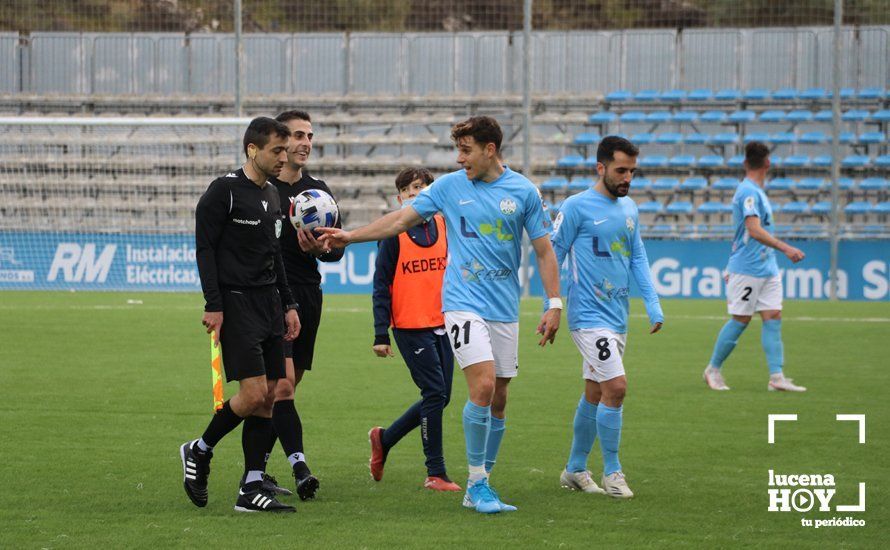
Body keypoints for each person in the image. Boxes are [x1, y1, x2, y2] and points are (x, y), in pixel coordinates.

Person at [319, 116, 562, 514]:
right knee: (481, 387)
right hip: (462, 303)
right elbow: (400, 219)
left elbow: (543, 250)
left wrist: (554, 303)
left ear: (490, 149)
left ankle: (485, 480)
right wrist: (350, 235)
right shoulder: (448, 187)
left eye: (466, 150)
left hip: (504, 307)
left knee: (499, 398)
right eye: (457, 149)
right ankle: (476, 484)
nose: (459, 157)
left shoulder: (524, 192)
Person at [181, 117, 301, 513]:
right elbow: (205, 250)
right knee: (251, 394)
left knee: (269, 395)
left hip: (269, 304)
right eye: (277, 151)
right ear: (253, 150)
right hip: (236, 303)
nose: (284, 158)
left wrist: (289, 305)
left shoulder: (273, 196)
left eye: (285, 150)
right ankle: (199, 449)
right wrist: (213, 304)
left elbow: (276, 255)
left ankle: (250, 488)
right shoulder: (224, 191)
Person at [551, 136, 663, 499]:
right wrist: (551, 305)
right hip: (587, 316)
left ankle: (574, 469)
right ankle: (613, 471)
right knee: (617, 387)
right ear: (600, 168)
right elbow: (552, 254)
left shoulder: (630, 208)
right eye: (621, 170)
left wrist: (653, 303)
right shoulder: (576, 207)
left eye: (632, 170)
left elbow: (638, 258)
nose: (627, 177)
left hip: (617, 315)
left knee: (596, 392)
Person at [259, 110, 343, 500]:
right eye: (297, 135)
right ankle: (299, 468)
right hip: (274, 296)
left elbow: (334, 252)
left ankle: (255, 470)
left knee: (288, 388)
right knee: (283, 387)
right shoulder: (263, 188)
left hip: (309, 294)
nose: (305, 142)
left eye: (309, 135)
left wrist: (323, 249)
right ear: (280, 141)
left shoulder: (319, 191)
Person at [368, 167, 460, 492]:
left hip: (443, 323)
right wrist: (381, 333)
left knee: (442, 396)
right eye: (411, 190)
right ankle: (435, 472)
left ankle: (384, 438)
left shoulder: (444, 224)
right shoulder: (395, 233)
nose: (417, 194)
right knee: (435, 393)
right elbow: (381, 284)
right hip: (409, 326)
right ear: (400, 198)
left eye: (423, 187)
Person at [703, 141, 807, 392]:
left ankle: (776, 376)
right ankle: (713, 370)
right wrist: (786, 248)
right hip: (746, 268)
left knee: (773, 316)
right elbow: (753, 229)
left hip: (767, 268)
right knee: (741, 319)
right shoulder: (748, 192)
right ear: (768, 163)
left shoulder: (756, 192)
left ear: (744, 163)